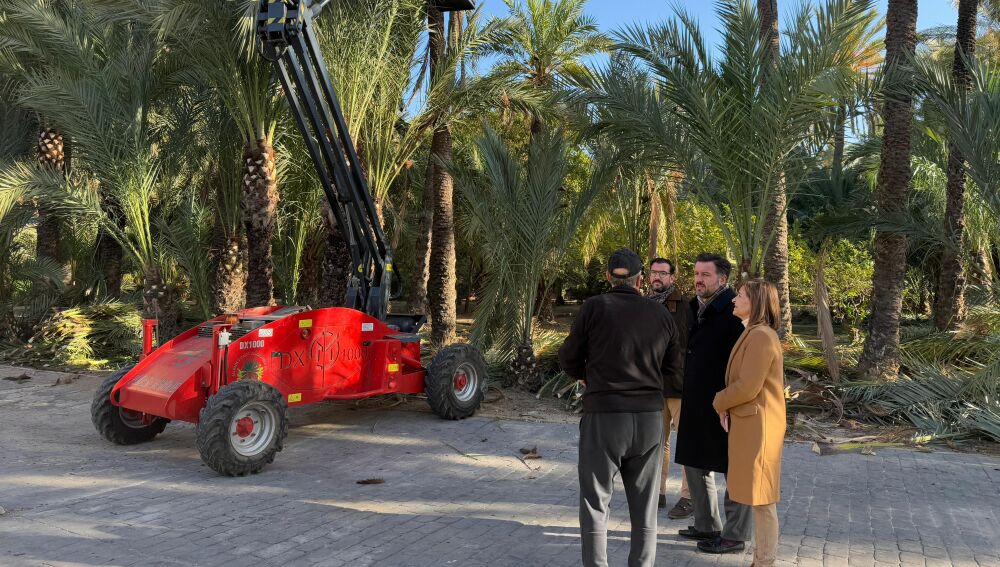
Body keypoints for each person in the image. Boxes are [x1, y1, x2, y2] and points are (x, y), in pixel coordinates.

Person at [559, 247, 683, 567]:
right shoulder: (660, 314)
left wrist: (586, 375)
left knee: (595, 502)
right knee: (645, 508)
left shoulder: (594, 307)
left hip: (604, 416)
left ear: (608, 277)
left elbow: (568, 358)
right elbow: (673, 367)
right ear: (641, 279)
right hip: (649, 419)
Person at [673, 253, 753, 554]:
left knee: (734, 468)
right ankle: (706, 525)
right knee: (694, 461)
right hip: (695, 399)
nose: (698, 279)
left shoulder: (734, 312)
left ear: (722, 279)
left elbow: (742, 366)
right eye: (696, 273)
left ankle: (734, 535)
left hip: (725, 405)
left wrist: (728, 402)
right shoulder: (694, 307)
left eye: (705, 275)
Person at [713, 279, 786, 567]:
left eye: (740, 295)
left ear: (755, 302)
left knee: (763, 498)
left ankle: (764, 561)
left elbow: (748, 386)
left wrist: (719, 401)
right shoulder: (753, 333)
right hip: (751, 425)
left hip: (760, 428)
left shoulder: (761, 336)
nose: (734, 299)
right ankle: (761, 559)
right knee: (757, 496)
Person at [646, 258, 693, 519]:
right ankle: (658, 492)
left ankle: (688, 496)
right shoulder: (643, 304)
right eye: (653, 272)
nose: (657, 277)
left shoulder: (685, 306)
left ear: (672, 278)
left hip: (679, 385)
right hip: (653, 386)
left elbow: (688, 345)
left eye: (663, 273)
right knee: (657, 443)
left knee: (686, 443)